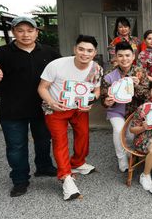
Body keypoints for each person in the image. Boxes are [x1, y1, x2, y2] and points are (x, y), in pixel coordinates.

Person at [0, 16, 60, 197]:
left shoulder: (49, 52)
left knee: (43, 140)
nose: (26, 34)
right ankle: (20, 180)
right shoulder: (1, 53)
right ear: (13, 32)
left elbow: (63, 73)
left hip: (43, 107)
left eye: (30, 30)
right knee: (16, 147)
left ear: (37, 32)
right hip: (12, 109)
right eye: (20, 30)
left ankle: (44, 166)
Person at [38, 35, 103, 200]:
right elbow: (42, 88)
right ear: (75, 49)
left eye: (89, 50)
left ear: (95, 52)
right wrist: (52, 103)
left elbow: (96, 91)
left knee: (83, 136)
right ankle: (65, 176)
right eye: (81, 49)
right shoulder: (56, 65)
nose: (85, 53)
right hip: (56, 108)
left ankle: (78, 162)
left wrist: (91, 101)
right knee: (60, 141)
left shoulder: (96, 68)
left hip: (79, 108)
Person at [101, 41, 150, 172]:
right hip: (115, 111)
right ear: (116, 57)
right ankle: (121, 158)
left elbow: (147, 95)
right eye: (120, 56)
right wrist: (107, 101)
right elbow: (103, 97)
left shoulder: (140, 72)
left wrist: (137, 86)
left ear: (133, 56)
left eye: (127, 55)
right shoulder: (109, 74)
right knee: (118, 130)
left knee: (129, 136)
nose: (124, 59)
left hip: (134, 111)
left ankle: (129, 152)